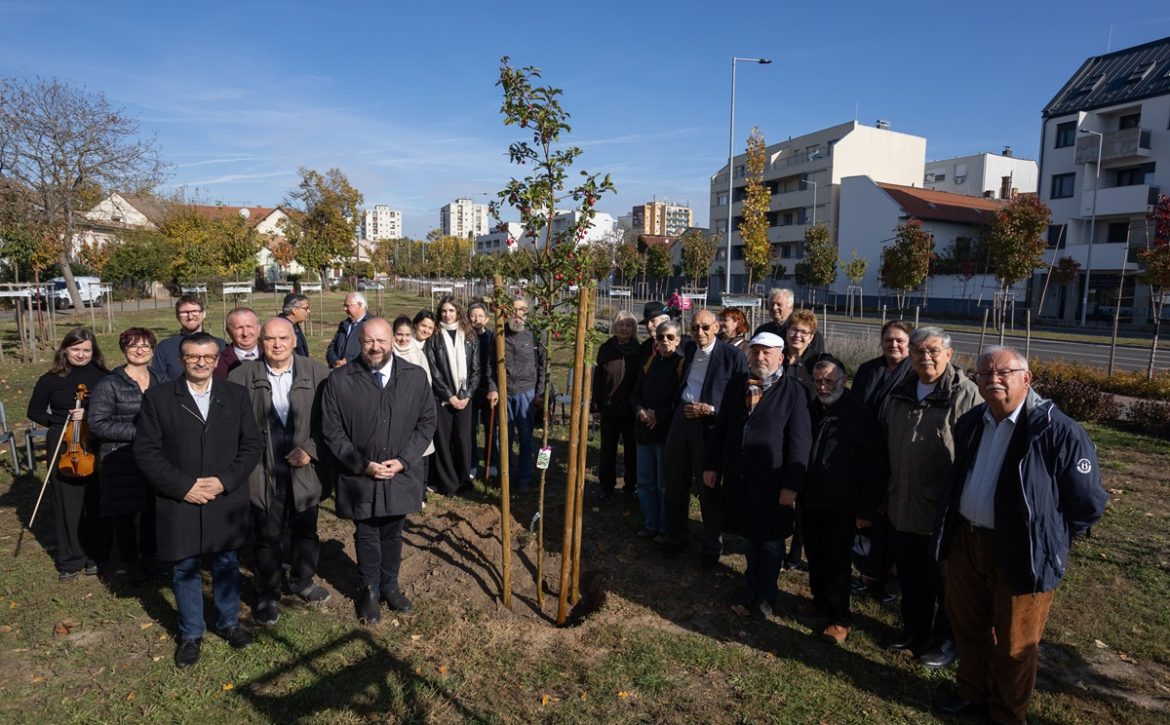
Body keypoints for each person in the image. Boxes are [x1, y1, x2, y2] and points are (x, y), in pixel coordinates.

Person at [931, 347, 1106, 723]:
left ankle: (1006, 714)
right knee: (969, 626)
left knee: (1015, 643)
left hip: (1023, 550)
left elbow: (1088, 501)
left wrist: (1052, 536)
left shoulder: (1058, 430)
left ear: (1026, 379)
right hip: (968, 540)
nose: (993, 378)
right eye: (984, 373)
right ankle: (972, 695)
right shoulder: (973, 421)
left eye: (1003, 372)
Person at [134, 332, 262, 667]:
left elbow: (251, 445)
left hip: (224, 497)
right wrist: (182, 487)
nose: (201, 362)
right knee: (185, 566)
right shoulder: (159, 398)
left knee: (226, 562)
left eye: (207, 357)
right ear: (181, 360)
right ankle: (192, 632)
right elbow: (146, 452)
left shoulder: (235, 395)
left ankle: (229, 622)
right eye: (193, 357)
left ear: (218, 359)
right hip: (180, 499)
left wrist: (224, 481)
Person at [321, 317, 436, 625]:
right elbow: (332, 430)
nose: (376, 347)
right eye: (369, 341)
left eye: (382, 341)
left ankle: (390, 585)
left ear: (393, 342)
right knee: (367, 530)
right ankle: (370, 589)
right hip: (360, 473)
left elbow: (427, 422)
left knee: (393, 529)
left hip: (399, 471)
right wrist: (361, 464)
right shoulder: (340, 379)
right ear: (360, 342)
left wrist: (405, 459)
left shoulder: (414, 377)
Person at [879, 325, 979, 669]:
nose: (926, 357)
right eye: (919, 351)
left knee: (946, 583)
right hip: (902, 504)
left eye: (934, 351)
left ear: (949, 355)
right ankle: (914, 630)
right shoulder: (900, 392)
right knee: (911, 575)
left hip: (943, 511)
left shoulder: (965, 394)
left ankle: (947, 640)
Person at [229, 318, 332, 627]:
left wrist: (311, 450)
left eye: (283, 338)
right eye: (270, 338)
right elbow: (233, 429)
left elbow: (331, 424)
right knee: (267, 535)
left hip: (305, 472)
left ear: (294, 340)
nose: (277, 344)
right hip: (264, 471)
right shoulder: (241, 377)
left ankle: (302, 579)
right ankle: (267, 593)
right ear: (261, 342)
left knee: (305, 530)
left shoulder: (318, 374)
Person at [703, 331, 811, 619]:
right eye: (756, 352)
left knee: (772, 541)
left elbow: (800, 443)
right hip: (740, 477)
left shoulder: (794, 392)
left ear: (781, 358)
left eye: (767, 353)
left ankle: (766, 596)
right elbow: (722, 428)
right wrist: (712, 465)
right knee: (750, 538)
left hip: (773, 481)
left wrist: (792, 485)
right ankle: (750, 587)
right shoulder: (738, 384)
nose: (760, 357)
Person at [800, 358, 887, 644]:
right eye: (818, 381)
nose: (823, 387)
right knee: (814, 553)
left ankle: (839, 619)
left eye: (829, 381)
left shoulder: (858, 414)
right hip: (811, 495)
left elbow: (873, 466)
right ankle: (820, 602)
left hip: (842, 500)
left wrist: (866, 509)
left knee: (836, 560)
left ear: (844, 380)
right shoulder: (812, 407)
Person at [663, 309, 746, 567]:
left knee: (707, 486)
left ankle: (712, 547)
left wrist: (711, 409)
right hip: (682, 417)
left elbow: (740, 400)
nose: (700, 333)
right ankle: (677, 538)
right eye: (695, 328)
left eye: (706, 328)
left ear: (717, 327)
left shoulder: (732, 356)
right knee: (675, 480)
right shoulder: (689, 350)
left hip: (709, 424)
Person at [26, 327, 111, 580]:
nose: (81, 354)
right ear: (65, 350)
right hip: (63, 443)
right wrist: (58, 419)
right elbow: (34, 411)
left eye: (86, 349)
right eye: (76, 349)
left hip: (94, 440)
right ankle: (71, 559)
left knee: (96, 499)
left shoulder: (104, 377)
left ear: (93, 351)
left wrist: (90, 414)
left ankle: (97, 554)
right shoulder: (50, 379)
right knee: (67, 503)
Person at [87, 327, 159, 583]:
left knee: (153, 508)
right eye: (133, 346)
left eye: (145, 346)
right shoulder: (110, 384)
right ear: (124, 349)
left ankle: (151, 556)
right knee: (125, 513)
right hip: (120, 457)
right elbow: (97, 423)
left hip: (153, 457)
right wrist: (138, 432)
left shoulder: (159, 379)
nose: (140, 350)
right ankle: (131, 561)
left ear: (152, 349)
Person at [631, 319, 685, 539]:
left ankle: (664, 527)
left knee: (664, 484)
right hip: (644, 430)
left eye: (670, 337)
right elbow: (635, 394)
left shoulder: (682, 364)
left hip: (665, 433)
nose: (665, 340)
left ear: (678, 340)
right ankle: (650, 522)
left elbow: (681, 400)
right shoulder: (650, 362)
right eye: (661, 336)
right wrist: (640, 411)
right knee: (644, 481)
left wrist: (659, 416)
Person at [424, 296, 480, 496]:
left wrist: (467, 395)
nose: (447, 315)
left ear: (458, 312)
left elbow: (476, 369)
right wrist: (449, 396)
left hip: (465, 398)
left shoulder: (469, 336)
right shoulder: (434, 338)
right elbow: (434, 370)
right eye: (444, 311)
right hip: (442, 399)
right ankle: (448, 483)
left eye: (451, 311)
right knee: (444, 440)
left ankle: (463, 479)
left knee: (463, 439)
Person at [592, 310, 640, 502]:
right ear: (615, 326)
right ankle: (606, 486)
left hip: (631, 409)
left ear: (634, 329)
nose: (625, 328)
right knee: (607, 450)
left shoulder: (639, 349)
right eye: (621, 324)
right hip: (609, 408)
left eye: (629, 325)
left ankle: (631, 486)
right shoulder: (606, 348)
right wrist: (595, 407)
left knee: (632, 450)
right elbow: (598, 379)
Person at [501, 298, 546, 493]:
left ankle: (525, 477)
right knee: (504, 437)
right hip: (506, 392)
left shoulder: (535, 334)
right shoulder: (500, 332)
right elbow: (490, 365)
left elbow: (545, 365)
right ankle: (507, 475)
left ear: (527, 312)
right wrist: (495, 388)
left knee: (526, 438)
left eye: (521, 310)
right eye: (513, 309)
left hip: (527, 393)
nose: (517, 313)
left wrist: (541, 393)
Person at [151, 295, 225, 382]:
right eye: (184, 312)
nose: (190, 317)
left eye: (195, 311)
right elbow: (157, 381)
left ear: (203, 314)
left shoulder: (220, 345)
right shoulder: (165, 347)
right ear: (177, 316)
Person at [467, 301, 499, 482]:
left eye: (480, 316)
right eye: (473, 315)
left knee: (491, 428)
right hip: (471, 390)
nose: (476, 319)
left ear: (486, 318)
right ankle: (472, 463)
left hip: (488, 389)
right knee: (470, 429)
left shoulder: (493, 338)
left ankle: (491, 463)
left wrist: (493, 388)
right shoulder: (466, 338)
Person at [853, 320, 913, 414]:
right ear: (882, 342)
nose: (894, 345)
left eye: (900, 341)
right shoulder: (867, 369)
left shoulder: (916, 373)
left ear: (910, 344)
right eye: (888, 340)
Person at [753, 288, 825, 358]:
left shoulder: (808, 334)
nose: (774, 308)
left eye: (779, 304)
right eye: (772, 304)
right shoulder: (762, 331)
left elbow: (818, 360)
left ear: (790, 307)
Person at [214, 307, 261, 378]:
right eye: (239, 328)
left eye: (249, 326)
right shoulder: (218, 364)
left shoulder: (272, 356)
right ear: (228, 331)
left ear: (259, 328)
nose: (245, 333)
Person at [326, 292, 369, 368]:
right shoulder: (344, 325)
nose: (345, 309)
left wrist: (349, 361)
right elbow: (331, 348)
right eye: (344, 306)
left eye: (347, 306)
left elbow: (373, 351)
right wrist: (335, 361)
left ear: (360, 305)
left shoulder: (372, 324)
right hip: (339, 373)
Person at [782, 309, 820, 393]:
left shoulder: (817, 361)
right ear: (787, 331)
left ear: (811, 337)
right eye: (793, 329)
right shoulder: (776, 357)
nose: (797, 335)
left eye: (804, 332)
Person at [279, 293, 312, 358]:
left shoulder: (295, 325)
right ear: (294, 310)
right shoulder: (281, 330)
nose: (308, 311)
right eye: (306, 308)